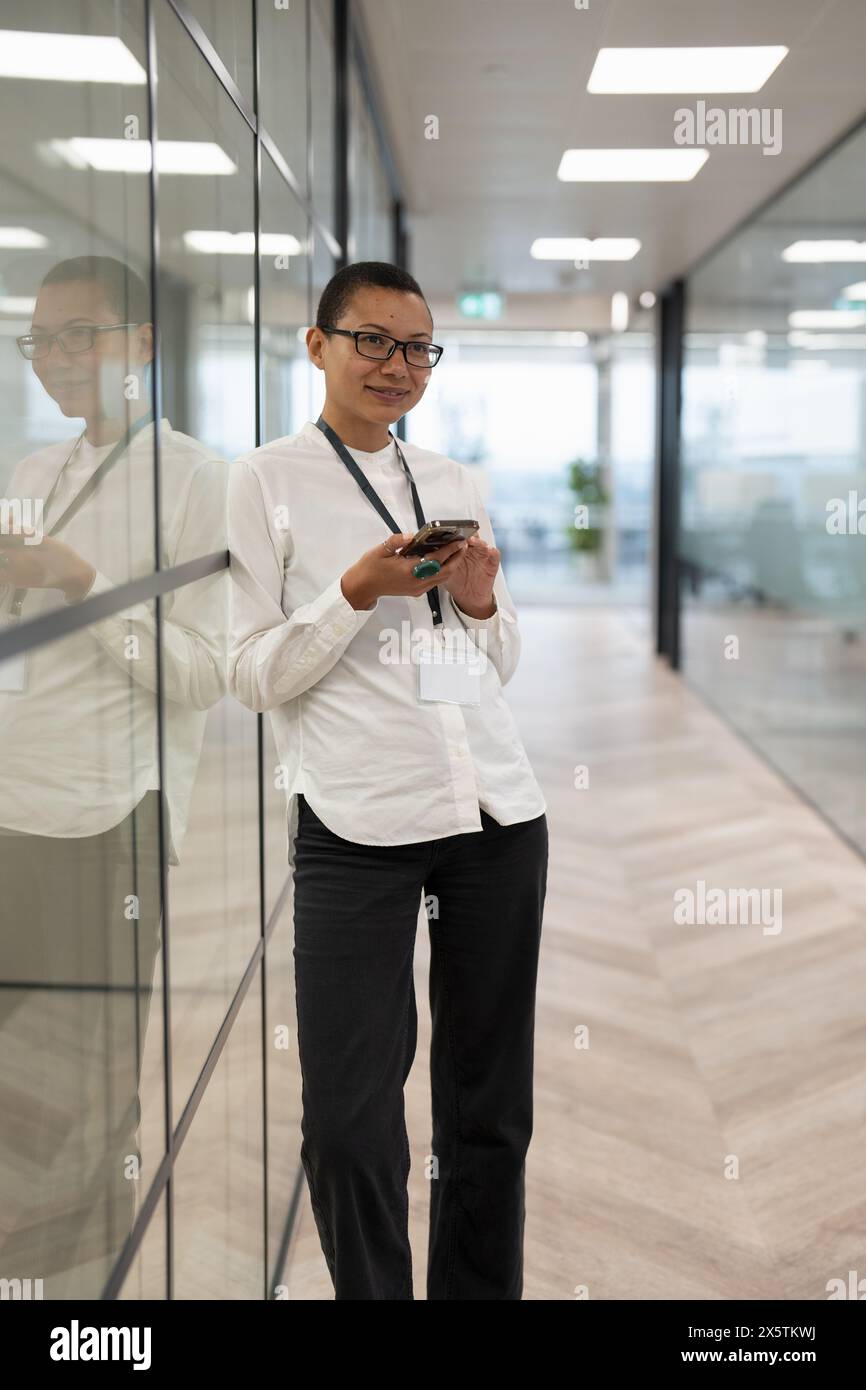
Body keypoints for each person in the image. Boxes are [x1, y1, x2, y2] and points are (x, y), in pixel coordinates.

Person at [227, 260, 548, 1300]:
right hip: (353, 817)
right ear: (316, 345)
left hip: (493, 810)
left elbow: (489, 669)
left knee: (487, 1108)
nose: (397, 366)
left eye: (416, 348)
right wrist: (352, 592)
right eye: (372, 340)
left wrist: (486, 605)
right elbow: (249, 673)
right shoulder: (265, 480)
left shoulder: (450, 478)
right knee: (351, 1117)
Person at [0, 255, 226, 1298]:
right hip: (10, 804)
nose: (56, 359)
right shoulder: (31, 476)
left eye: (79, 334)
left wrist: (82, 581)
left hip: (106, 821)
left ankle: (85, 1302)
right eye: (40, 339)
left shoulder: (198, 481)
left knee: (89, 1088)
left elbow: (198, 673)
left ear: (143, 341)